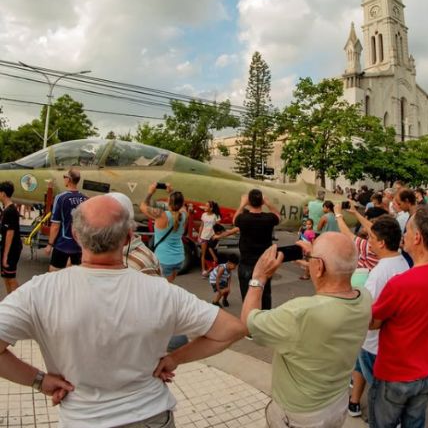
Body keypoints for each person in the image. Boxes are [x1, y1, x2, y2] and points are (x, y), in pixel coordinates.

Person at [0, 194, 245, 427]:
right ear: (128, 238)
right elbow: (231, 329)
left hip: (82, 419)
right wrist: (175, 359)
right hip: (151, 415)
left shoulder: (40, 291)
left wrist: (39, 381)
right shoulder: (161, 292)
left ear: (75, 235)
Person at [242, 236, 372, 428]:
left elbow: (248, 323)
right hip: (337, 403)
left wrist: (258, 278)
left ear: (318, 267)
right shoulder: (364, 297)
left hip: (299, 414)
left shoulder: (300, 313)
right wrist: (319, 255)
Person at [369, 207, 428, 428]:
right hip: (425, 373)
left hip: (394, 374)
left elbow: (372, 323)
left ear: (417, 237)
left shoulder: (400, 284)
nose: (403, 236)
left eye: (406, 230)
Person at [348, 215, 410, 417]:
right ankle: (354, 402)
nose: (369, 242)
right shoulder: (401, 262)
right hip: (388, 340)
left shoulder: (379, 273)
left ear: (382, 242)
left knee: (380, 390)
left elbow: (369, 314)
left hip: (373, 344)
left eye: (371, 238)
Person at [217, 189, 281, 310]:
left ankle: (249, 320)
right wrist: (268, 203)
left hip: (247, 263)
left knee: (247, 296)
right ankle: (264, 318)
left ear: (249, 202)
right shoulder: (268, 218)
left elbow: (234, 220)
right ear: (261, 202)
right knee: (265, 294)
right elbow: (278, 216)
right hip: (264, 263)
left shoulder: (243, 219)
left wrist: (242, 204)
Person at [140, 183, 187, 283]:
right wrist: (171, 192)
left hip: (165, 259)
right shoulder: (183, 214)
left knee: (166, 288)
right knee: (170, 283)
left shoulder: (161, 215)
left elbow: (143, 206)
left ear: (168, 201)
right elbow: (181, 205)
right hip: (179, 257)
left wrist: (150, 192)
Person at [44, 167, 86, 272]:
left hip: (63, 243)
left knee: (53, 275)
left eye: (64, 177)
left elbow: (55, 225)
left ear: (68, 179)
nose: (63, 179)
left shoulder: (61, 198)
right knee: (76, 276)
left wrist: (49, 245)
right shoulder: (85, 198)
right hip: (79, 245)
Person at [0, 181, 22, 294]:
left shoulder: (10, 211)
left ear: (3, 193)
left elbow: (10, 234)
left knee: (11, 278)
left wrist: (5, 255)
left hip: (11, 249)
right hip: (7, 248)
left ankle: (19, 302)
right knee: (6, 277)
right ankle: (10, 300)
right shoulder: (6, 209)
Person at [199, 201, 222, 277]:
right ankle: (203, 270)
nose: (205, 207)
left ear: (211, 208)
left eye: (207, 206)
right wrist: (199, 236)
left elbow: (218, 228)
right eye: (205, 206)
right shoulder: (203, 215)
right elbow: (202, 226)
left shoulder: (216, 216)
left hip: (212, 237)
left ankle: (213, 270)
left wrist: (217, 235)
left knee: (213, 254)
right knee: (203, 254)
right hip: (204, 237)